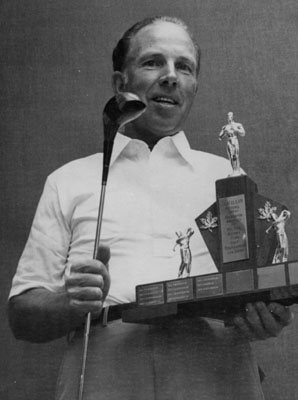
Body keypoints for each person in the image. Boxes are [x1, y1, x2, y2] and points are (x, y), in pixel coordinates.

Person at [8, 16, 293, 400]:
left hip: (215, 372)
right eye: (153, 62)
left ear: (193, 86)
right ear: (119, 83)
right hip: (106, 374)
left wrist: (266, 318)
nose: (171, 76)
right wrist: (70, 301)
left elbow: (258, 286)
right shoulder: (69, 180)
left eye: (184, 67)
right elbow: (23, 316)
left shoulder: (228, 175)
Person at [219, 111, 245, 176]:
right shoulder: (225, 127)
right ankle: (234, 171)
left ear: (232, 117)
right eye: (228, 116)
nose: (229, 117)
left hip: (234, 140)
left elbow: (243, 133)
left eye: (230, 115)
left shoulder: (237, 125)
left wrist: (236, 129)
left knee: (235, 155)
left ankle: (237, 171)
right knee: (230, 156)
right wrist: (224, 131)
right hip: (229, 141)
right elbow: (220, 136)